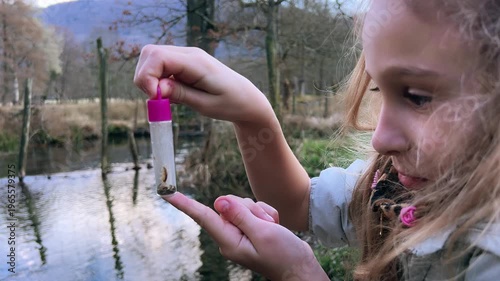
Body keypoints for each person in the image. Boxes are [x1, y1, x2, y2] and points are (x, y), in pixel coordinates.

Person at [134, 0, 500, 279]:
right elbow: (297, 204)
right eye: (378, 89)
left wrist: (300, 272)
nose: (380, 139)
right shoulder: (390, 187)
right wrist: (251, 116)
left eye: (418, 97)